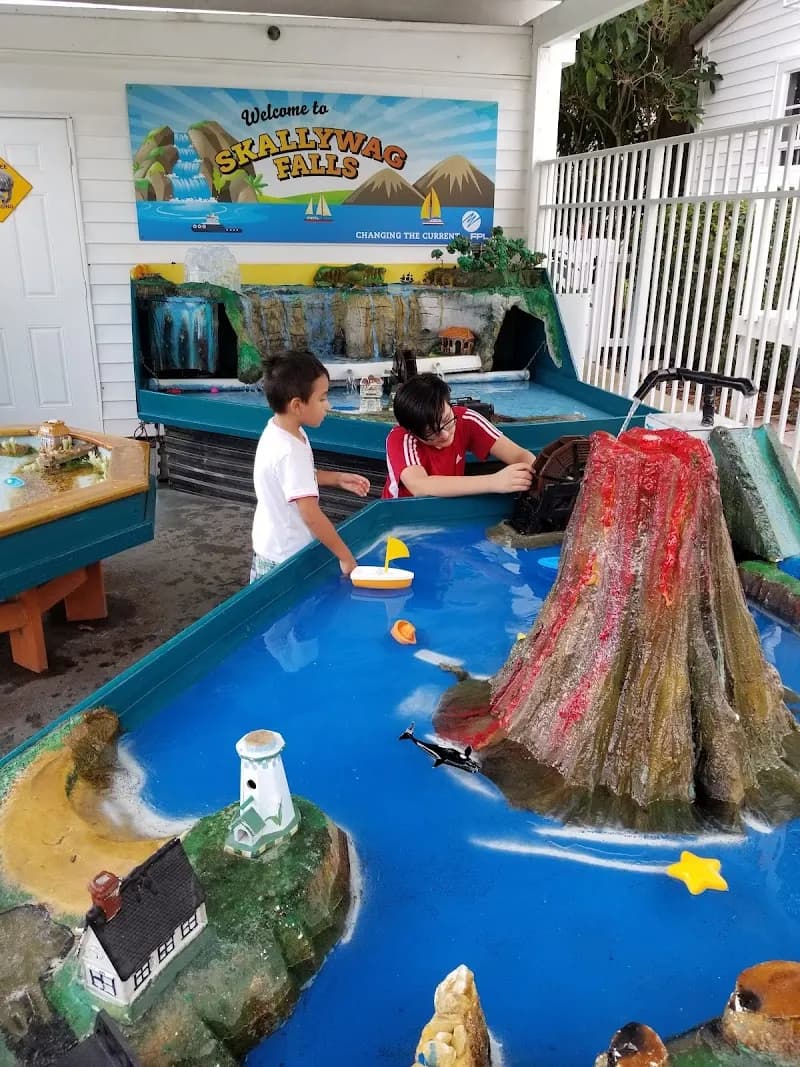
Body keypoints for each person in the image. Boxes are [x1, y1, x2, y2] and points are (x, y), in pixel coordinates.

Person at [251, 351, 370, 580]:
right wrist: (345, 556)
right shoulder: (289, 451)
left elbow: (294, 479)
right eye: (322, 398)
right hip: (283, 559)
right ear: (297, 405)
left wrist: (336, 478)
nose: (328, 405)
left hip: (273, 546)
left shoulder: (282, 430)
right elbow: (310, 514)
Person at [382, 372, 535, 499]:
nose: (445, 434)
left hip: (450, 507)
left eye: (447, 420)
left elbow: (519, 455)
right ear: (412, 431)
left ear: (450, 405)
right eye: (430, 432)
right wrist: (494, 482)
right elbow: (420, 486)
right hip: (403, 517)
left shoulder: (466, 419)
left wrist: (538, 474)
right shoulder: (401, 438)